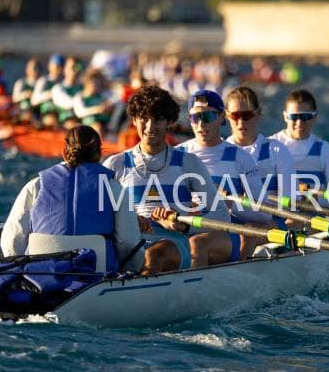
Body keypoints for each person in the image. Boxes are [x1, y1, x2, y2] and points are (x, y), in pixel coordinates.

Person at [103, 85, 234, 273]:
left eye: (157, 119)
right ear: (134, 120)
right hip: (131, 242)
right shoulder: (115, 164)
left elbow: (222, 215)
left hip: (174, 243)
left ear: (169, 122)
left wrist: (184, 226)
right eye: (144, 119)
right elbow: (97, 212)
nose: (150, 127)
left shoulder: (188, 163)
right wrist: (128, 220)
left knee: (155, 256)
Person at [0, 125, 145, 274]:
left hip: (41, 274)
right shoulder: (115, 189)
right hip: (98, 274)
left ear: (64, 153)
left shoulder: (36, 186)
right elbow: (128, 242)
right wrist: (128, 271)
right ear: (99, 155)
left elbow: (11, 240)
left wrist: (20, 272)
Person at [177, 89, 271, 260]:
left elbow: (264, 213)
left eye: (207, 116)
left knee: (197, 244)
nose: (201, 124)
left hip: (225, 231)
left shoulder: (240, 157)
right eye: (195, 117)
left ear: (221, 117)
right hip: (184, 227)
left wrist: (229, 203)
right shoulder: (177, 154)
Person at [271, 89, 329, 195]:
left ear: (315, 117)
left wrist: (305, 191)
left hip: (313, 205)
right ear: (285, 117)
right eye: (294, 117)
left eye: (305, 117)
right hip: (276, 205)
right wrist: (304, 189)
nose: (299, 122)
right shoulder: (269, 147)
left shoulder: (326, 151)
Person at [225, 85, 294, 197]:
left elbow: (290, 199)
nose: (241, 122)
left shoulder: (277, 151)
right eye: (235, 115)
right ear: (227, 115)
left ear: (258, 113)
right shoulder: (219, 153)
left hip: (271, 209)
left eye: (247, 115)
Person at [73, 68, 117, 136]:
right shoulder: (79, 97)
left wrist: (109, 107)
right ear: (87, 83)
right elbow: (79, 112)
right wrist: (98, 109)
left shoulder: (101, 95)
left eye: (98, 84)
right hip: (90, 123)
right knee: (97, 128)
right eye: (95, 84)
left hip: (106, 122)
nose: (97, 86)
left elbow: (114, 100)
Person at [49, 56, 83, 129]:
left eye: (77, 68)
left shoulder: (84, 87)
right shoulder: (57, 88)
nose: (75, 71)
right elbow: (69, 104)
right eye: (72, 68)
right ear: (65, 69)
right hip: (64, 123)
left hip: (82, 120)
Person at [31, 54, 65, 126]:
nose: (59, 69)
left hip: (61, 111)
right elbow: (34, 100)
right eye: (57, 66)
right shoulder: (44, 81)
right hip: (47, 112)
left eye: (61, 66)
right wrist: (51, 94)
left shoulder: (64, 81)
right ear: (50, 66)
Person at [12, 58, 40, 122]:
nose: (34, 70)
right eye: (32, 68)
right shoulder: (21, 83)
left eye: (36, 68)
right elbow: (15, 98)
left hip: (38, 111)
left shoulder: (42, 83)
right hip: (24, 110)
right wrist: (26, 94)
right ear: (27, 69)